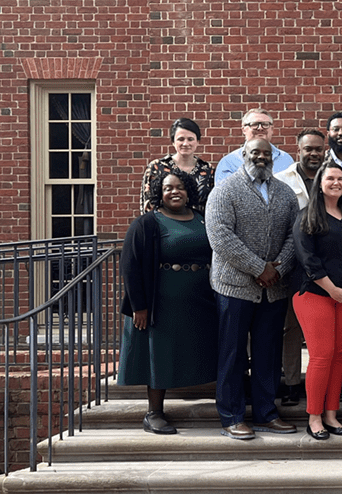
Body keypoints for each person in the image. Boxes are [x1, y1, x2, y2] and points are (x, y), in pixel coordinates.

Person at [205, 138, 299, 440]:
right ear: (243, 155)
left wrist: (279, 267)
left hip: (274, 289)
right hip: (234, 286)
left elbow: (293, 235)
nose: (261, 157)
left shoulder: (285, 192)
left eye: (266, 154)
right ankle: (231, 416)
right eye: (255, 153)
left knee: (267, 354)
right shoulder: (225, 191)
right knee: (232, 354)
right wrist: (259, 268)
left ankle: (265, 413)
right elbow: (220, 237)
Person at [119, 168, 217, 435]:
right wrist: (138, 305)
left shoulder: (201, 218)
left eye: (180, 187)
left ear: (189, 191)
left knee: (203, 348)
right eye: (168, 188)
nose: (174, 192)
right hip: (160, 302)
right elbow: (130, 265)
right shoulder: (147, 223)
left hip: (199, 300)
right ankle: (154, 413)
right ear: (159, 194)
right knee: (158, 354)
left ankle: (228, 400)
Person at [291, 163, 342, 440]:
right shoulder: (307, 216)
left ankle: (331, 414)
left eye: (340, 178)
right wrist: (332, 289)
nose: (336, 183)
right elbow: (308, 259)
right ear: (320, 183)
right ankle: (314, 417)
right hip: (315, 295)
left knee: (338, 356)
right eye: (330, 178)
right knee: (322, 356)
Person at [273, 129, 328, 406]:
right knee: (291, 328)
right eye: (309, 149)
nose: (314, 153)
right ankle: (293, 383)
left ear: (325, 150)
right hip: (292, 265)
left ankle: (329, 382)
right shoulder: (282, 182)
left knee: (326, 328)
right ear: (298, 151)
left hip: (326, 266)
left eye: (318, 149)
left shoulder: (333, 178)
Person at [139, 118, 214, 213]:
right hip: (163, 226)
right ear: (173, 142)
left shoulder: (208, 170)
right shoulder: (157, 167)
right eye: (181, 139)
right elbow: (147, 205)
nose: (186, 143)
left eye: (190, 139)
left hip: (199, 225)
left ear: (198, 141)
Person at [215, 109, 295, 182]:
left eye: (265, 124)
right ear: (243, 130)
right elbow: (223, 195)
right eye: (254, 124)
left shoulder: (286, 159)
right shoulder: (229, 162)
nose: (260, 128)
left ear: (272, 129)